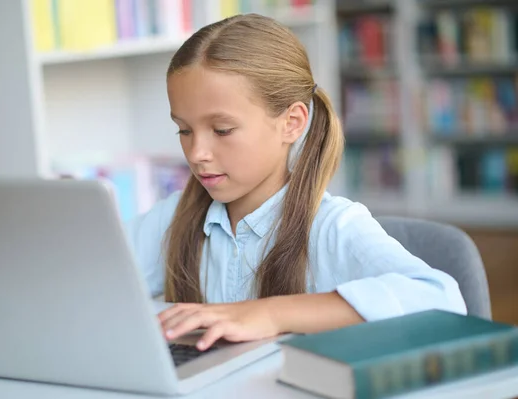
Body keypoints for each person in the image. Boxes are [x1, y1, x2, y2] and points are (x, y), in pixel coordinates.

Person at [126, 14, 467, 352]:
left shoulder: (332, 226)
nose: (197, 152)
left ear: (292, 123)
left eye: (222, 130)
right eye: (184, 130)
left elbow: (441, 300)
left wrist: (269, 314)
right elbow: (89, 278)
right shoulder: (173, 219)